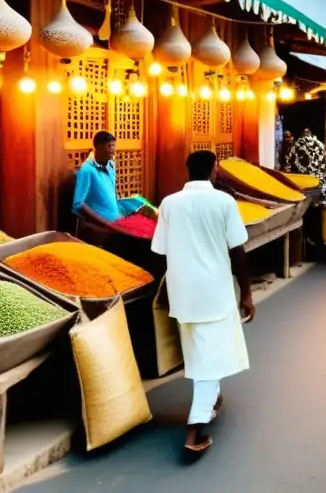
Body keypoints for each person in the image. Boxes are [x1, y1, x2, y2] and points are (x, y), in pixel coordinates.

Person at [151, 150, 254, 455]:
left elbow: (159, 252)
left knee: (201, 349)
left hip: (183, 291)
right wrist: (246, 293)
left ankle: (213, 398)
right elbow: (238, 250)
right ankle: (195, 431)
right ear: (213, 169)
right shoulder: (224, 202)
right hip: (215, 289)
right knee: (209, 355)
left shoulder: (169, 203)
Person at [71, 130, 142, 237]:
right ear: (99, 147)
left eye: (114, 146)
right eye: (110, 146)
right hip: (102, 228)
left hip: (117, 223)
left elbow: (109, 196)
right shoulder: (87, 170)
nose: (113, 150)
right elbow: (78, 204)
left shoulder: (110, 165)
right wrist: (106, 223)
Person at [286, 128, 326, 193]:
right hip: (315, 179)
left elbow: (290, 160)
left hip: (303, 180)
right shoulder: (320, 145)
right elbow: (325, 163)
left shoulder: (298, 144)